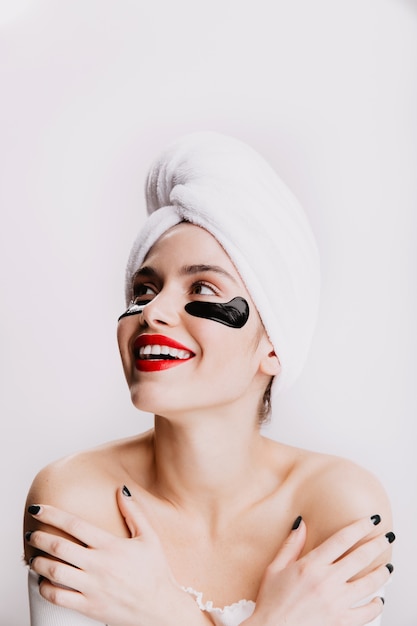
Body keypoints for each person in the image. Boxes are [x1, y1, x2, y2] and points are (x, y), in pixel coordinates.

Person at [24, 131, 394, 626]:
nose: (152, 311)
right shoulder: (77, 500)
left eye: (201, 286)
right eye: (144, 288)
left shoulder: (338, 507)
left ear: (273, 347)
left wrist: (166, 615)